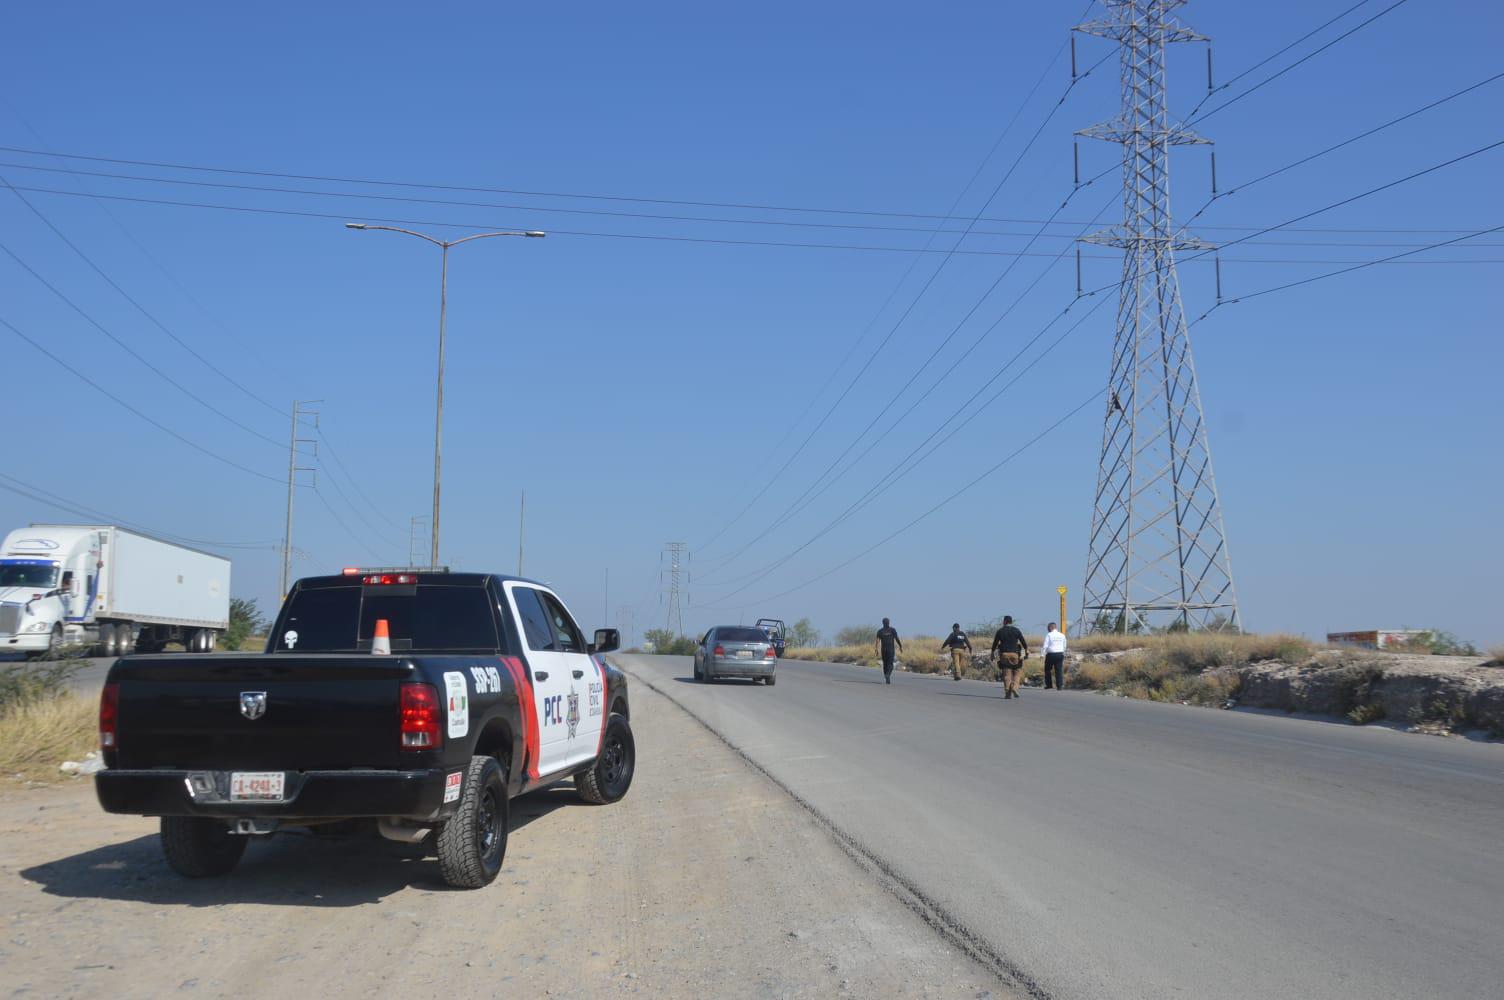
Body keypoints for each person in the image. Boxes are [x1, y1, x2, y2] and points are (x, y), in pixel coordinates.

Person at [990, 615, 1029, 699]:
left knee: (1006, 674)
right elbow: (1023, 642)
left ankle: (1008, 693)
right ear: (1011, 622)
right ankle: (1014, 687)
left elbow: (995, 643)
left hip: (1004, 655)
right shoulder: (1016, 630)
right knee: (1017, 672)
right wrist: (1026, 651)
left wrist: (992, 653)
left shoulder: (1000, 631)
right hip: (1015, 654)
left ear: (1004, 621)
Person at [874, 618, 903, 684]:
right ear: (889, 622)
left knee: (885, 663)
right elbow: (897, 638)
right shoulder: (892, 630)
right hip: (890, 649)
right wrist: (900, 646)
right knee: (890, 664)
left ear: (882, 623)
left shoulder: (880, 631)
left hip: (883, 650)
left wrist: (876, 649)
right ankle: (888, 675)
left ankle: (886, 675)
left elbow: (877, 641)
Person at [1042, 622, 1068, 690]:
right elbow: (1065, 645)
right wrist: (1063, 653)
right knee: (1059, 670)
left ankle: (1049, 685)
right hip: (1060, 654)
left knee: (1047, 669)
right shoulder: (1062, 635)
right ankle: (1059, 686)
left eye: (1048, 628)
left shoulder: (1049, 635)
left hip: (1051, 655)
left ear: (1050, 627)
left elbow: (1045, 646)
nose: (1047, 629)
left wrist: (1042, 654)